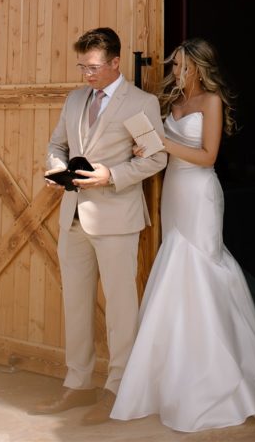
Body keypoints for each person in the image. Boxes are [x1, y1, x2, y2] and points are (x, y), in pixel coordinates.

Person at [110, 37, 255, 432]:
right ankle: (170, 375)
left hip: (200, 192)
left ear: (200, 68)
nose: (176, 72)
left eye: (182, 66)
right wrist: (147, 150)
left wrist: (165, 142)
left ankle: (219, 374)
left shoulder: (211, 101)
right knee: (174, 266)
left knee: (201, 266)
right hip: (173, 191)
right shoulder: (174, 103)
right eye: (174, 65)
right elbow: (167, 152)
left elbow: (208, 156)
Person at [33, 27, 167, 426]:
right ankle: (77, 385)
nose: (86, 74)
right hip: (71, 216)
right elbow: (58, 145)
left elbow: (155, 159)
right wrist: (56, 167)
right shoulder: (75, 99)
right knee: (76, 305)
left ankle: (118, 389)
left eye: (92, 67)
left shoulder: (141, 102)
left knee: (121, 310)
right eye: (82, 67)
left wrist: (111, 175)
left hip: (116, 218)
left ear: (114, 63)